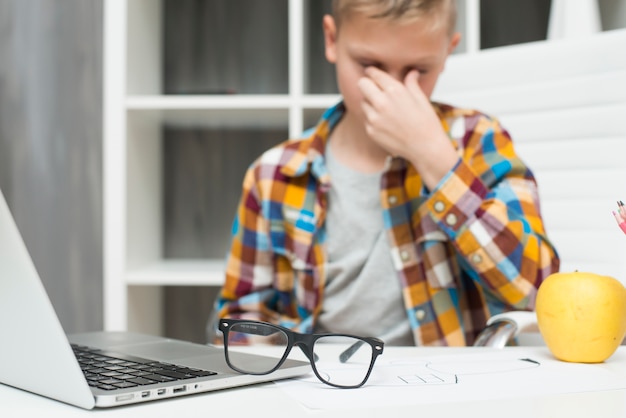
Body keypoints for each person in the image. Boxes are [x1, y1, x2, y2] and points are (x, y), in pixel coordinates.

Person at [209, 0, 560, 346]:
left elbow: (537, 292)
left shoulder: (479, 142)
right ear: (332, 39)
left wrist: (437, 161)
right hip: (318, 384)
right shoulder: (273, 176)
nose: (390, 91)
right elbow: (241, 318)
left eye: (418, 70)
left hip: (447, 388)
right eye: (369, 65)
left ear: (447, 51)